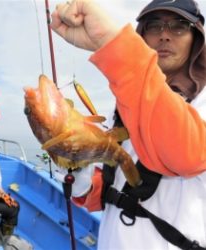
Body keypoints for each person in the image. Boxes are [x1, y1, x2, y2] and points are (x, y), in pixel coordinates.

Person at [51, 0, 206, 249]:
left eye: (179, 26)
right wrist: (80, 174)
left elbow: (186, 155)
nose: (165, 35)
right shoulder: (128, 102)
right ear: (141, 36)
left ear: (196, 38)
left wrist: (110, 42)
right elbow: (112, 190)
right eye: (154, 26)